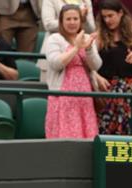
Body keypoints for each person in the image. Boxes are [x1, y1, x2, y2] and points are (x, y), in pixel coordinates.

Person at [95, 0, 132, 136]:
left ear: (121, 13)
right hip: (108, 92)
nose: (107, 20)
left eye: (110, 16)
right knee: (108, 136)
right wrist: (97, 77)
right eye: (104, 17)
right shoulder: (99, 35)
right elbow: (89, 65)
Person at [44, 4, 101, 139]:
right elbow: (56, 63)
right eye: (68, 19)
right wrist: (76, 47)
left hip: (84, 96)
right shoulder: (54, 39)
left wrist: (87, 49)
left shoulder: (87, 38)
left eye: (75, 19)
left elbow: (96, 65)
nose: (72, 22)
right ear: (61, 22)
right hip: (62, 96)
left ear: (81, 21)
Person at [39, 0, 96, 82]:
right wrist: (72, 19)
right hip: (55, 52)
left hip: (82, 64)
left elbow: (91, 29)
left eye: (75, 19)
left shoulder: (86, 1)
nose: (72, 22)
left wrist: (83, 18)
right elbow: (48, 24)